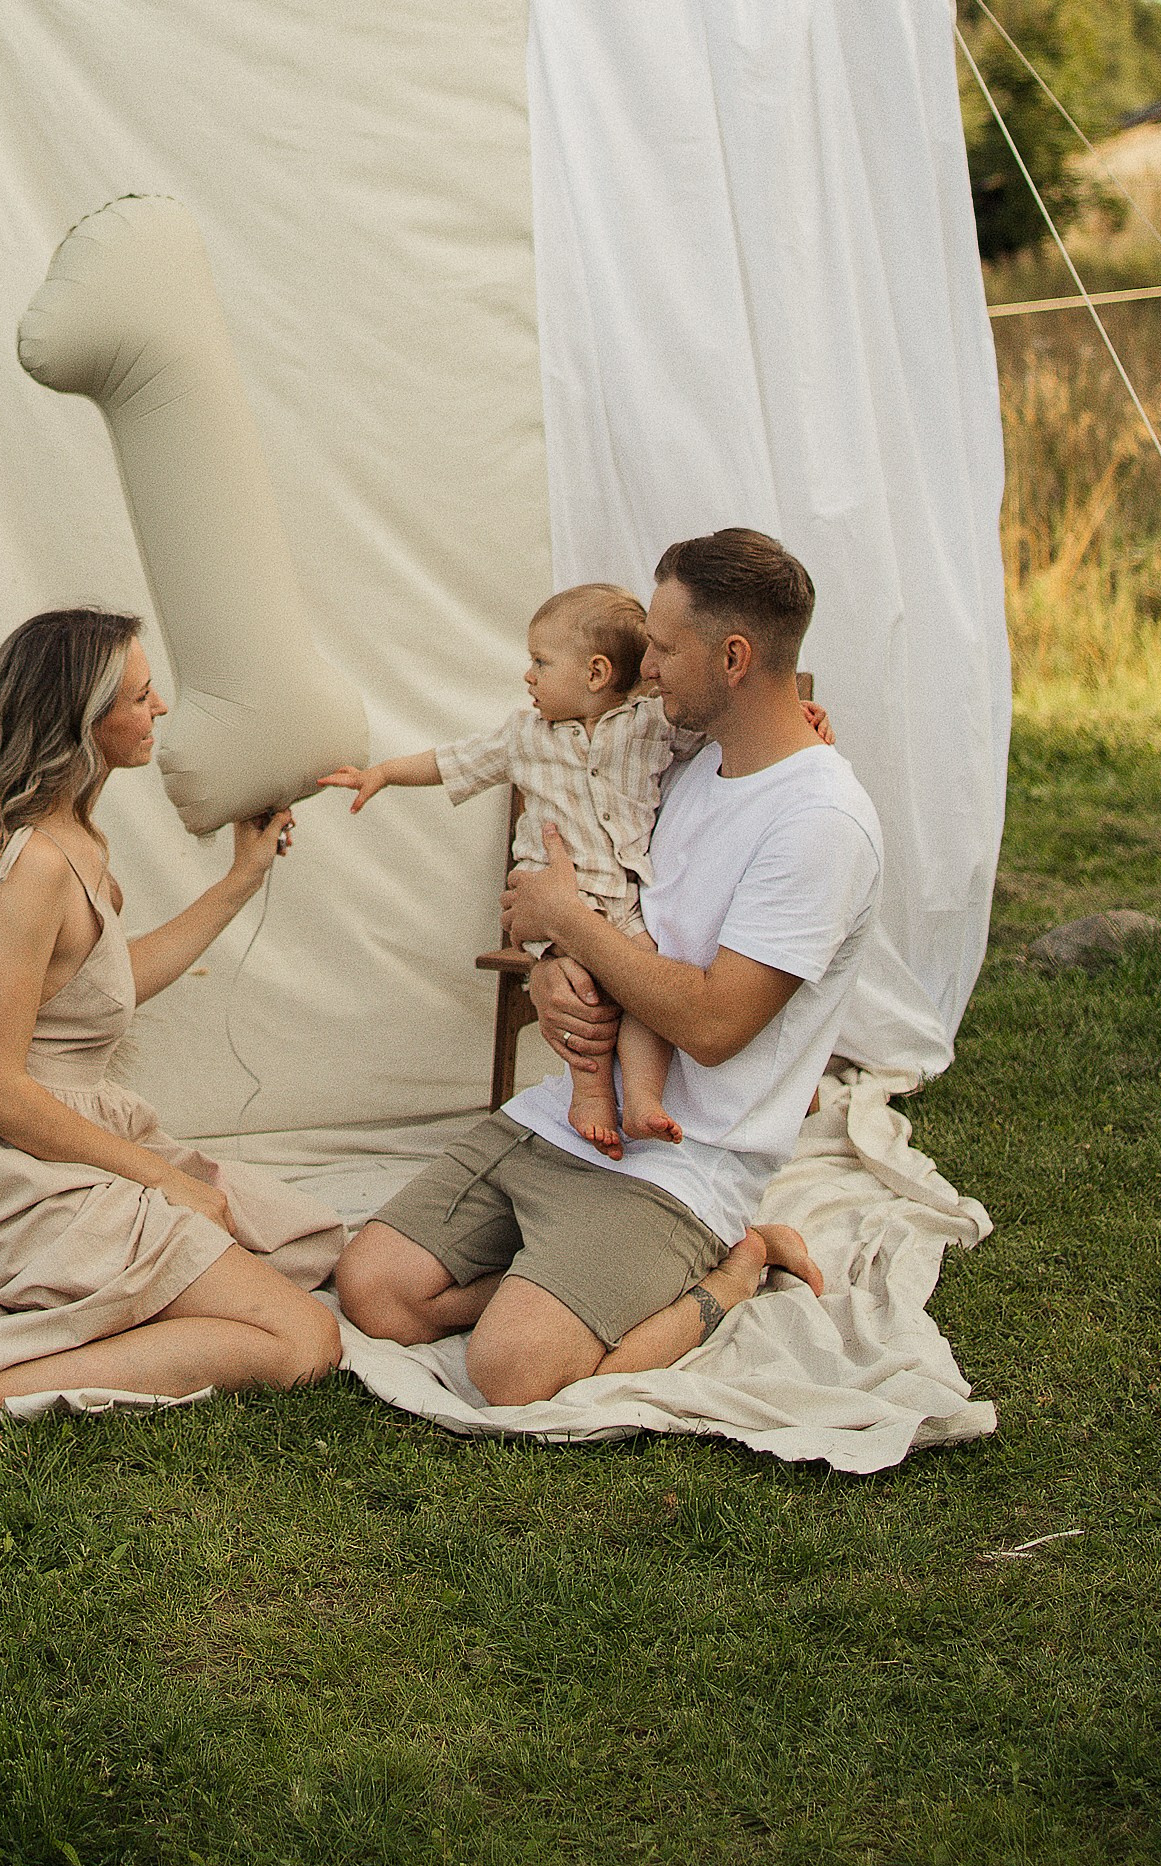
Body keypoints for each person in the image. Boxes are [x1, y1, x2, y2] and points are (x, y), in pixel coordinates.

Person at [336, 528, 880, 1407]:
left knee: (509, 1373)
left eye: (664, 648)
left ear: (734, 658)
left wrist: (571, 928)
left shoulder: (820, 826)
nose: (645, 668)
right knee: (374, 1289)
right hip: (578, 1117)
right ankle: (558, 1288)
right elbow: (619, 907)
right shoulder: (685, 762)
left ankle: (734, 1268)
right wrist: (550, 974)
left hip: (687, 1161)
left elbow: (710, 1025)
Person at [0, 608, 342, 1425]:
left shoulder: (72, 831)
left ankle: (98, 1317)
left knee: (299, 1244)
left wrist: (238, 879)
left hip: (52, 1128)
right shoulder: (30, 867)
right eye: (141, 696)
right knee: (304, 1340)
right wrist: (160, 1178)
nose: (162, 709)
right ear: (82, 721)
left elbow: (102, 988)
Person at [319, 582, 701, 1156]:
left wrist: (800, 716)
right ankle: (592, 1095)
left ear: (596, 673)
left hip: (626, 901)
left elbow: (718, 733)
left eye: (541, 662)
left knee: (644, 987)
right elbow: (453, 760)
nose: (528, 676)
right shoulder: (524, 735)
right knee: (584, 992)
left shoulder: (650, 725)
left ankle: (644, 1099)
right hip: (551, 902)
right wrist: (385, 773)